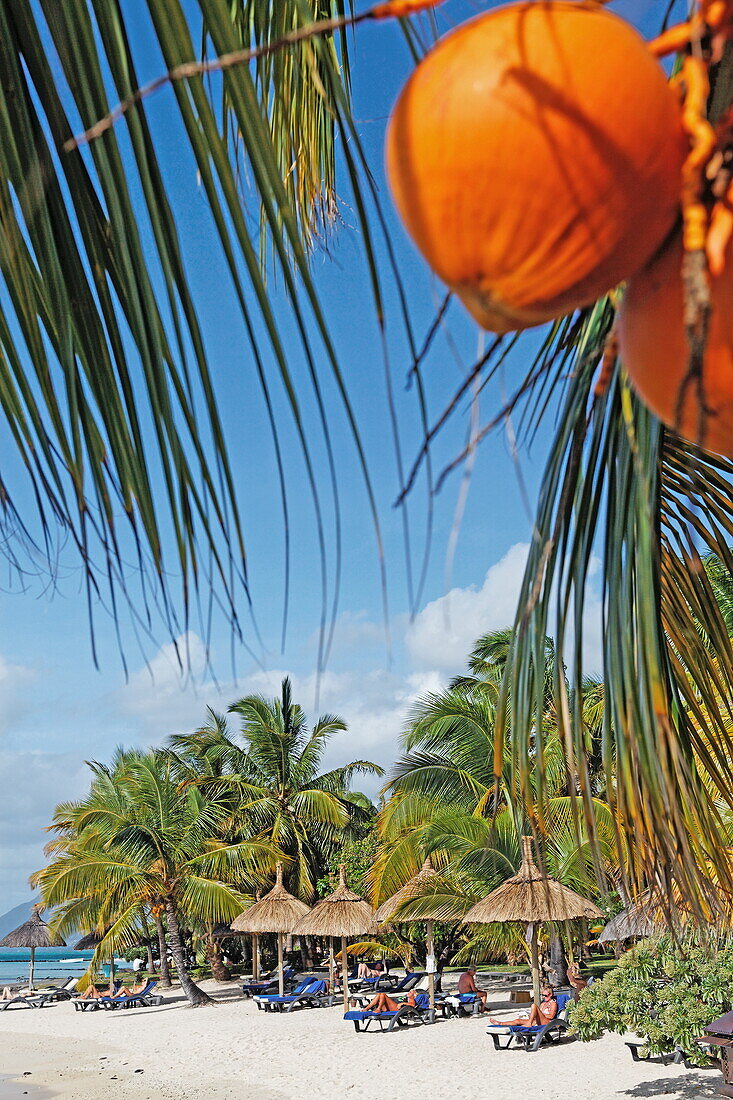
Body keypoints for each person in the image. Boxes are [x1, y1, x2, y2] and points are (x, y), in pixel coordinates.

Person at [488, 983, 558, 1027]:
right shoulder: (543, 1004)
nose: (543, 997)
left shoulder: (553, 1003)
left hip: (547, 1022)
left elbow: (551, 1016)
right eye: (542, 995)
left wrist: (539, 1014)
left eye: (545, 995)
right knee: (518, 1021)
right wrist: (534, 1015)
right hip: (537, 1021)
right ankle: (500, 1023)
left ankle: (529, 1023)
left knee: (534, 1005)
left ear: (551, 994)